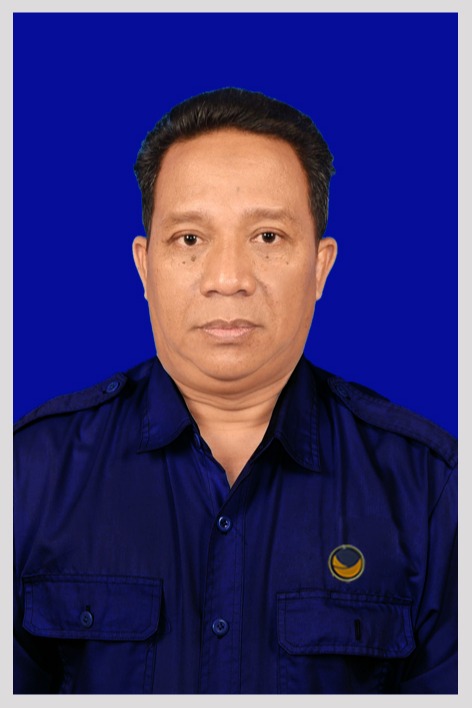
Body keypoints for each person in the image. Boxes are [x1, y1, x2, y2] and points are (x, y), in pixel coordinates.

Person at [13, 87, 457, 694]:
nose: (228, 279)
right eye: (190, 239)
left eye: (268, 237)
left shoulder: (427, 487)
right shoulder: (31, 473)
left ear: (320, 267)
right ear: (144, 266)